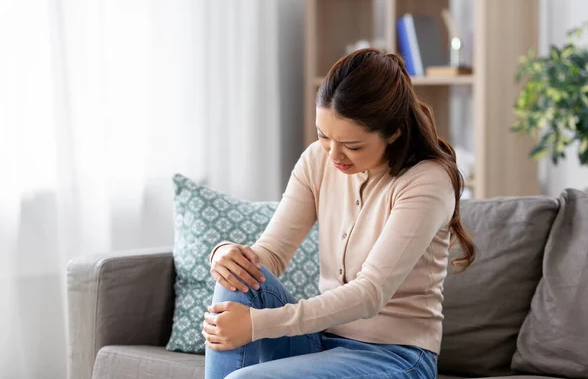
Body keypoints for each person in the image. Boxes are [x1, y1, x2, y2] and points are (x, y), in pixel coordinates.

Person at [202, 48, 475, 379]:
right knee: (239, 279)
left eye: (352, 145)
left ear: (394, 132)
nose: (333, 154)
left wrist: (256, 325)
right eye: (323, 136)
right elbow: (269, 255)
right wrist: (225, 255)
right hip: (323, 341)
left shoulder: (426, 181)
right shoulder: (318, 159)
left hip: (396, 357)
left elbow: (370, 293)